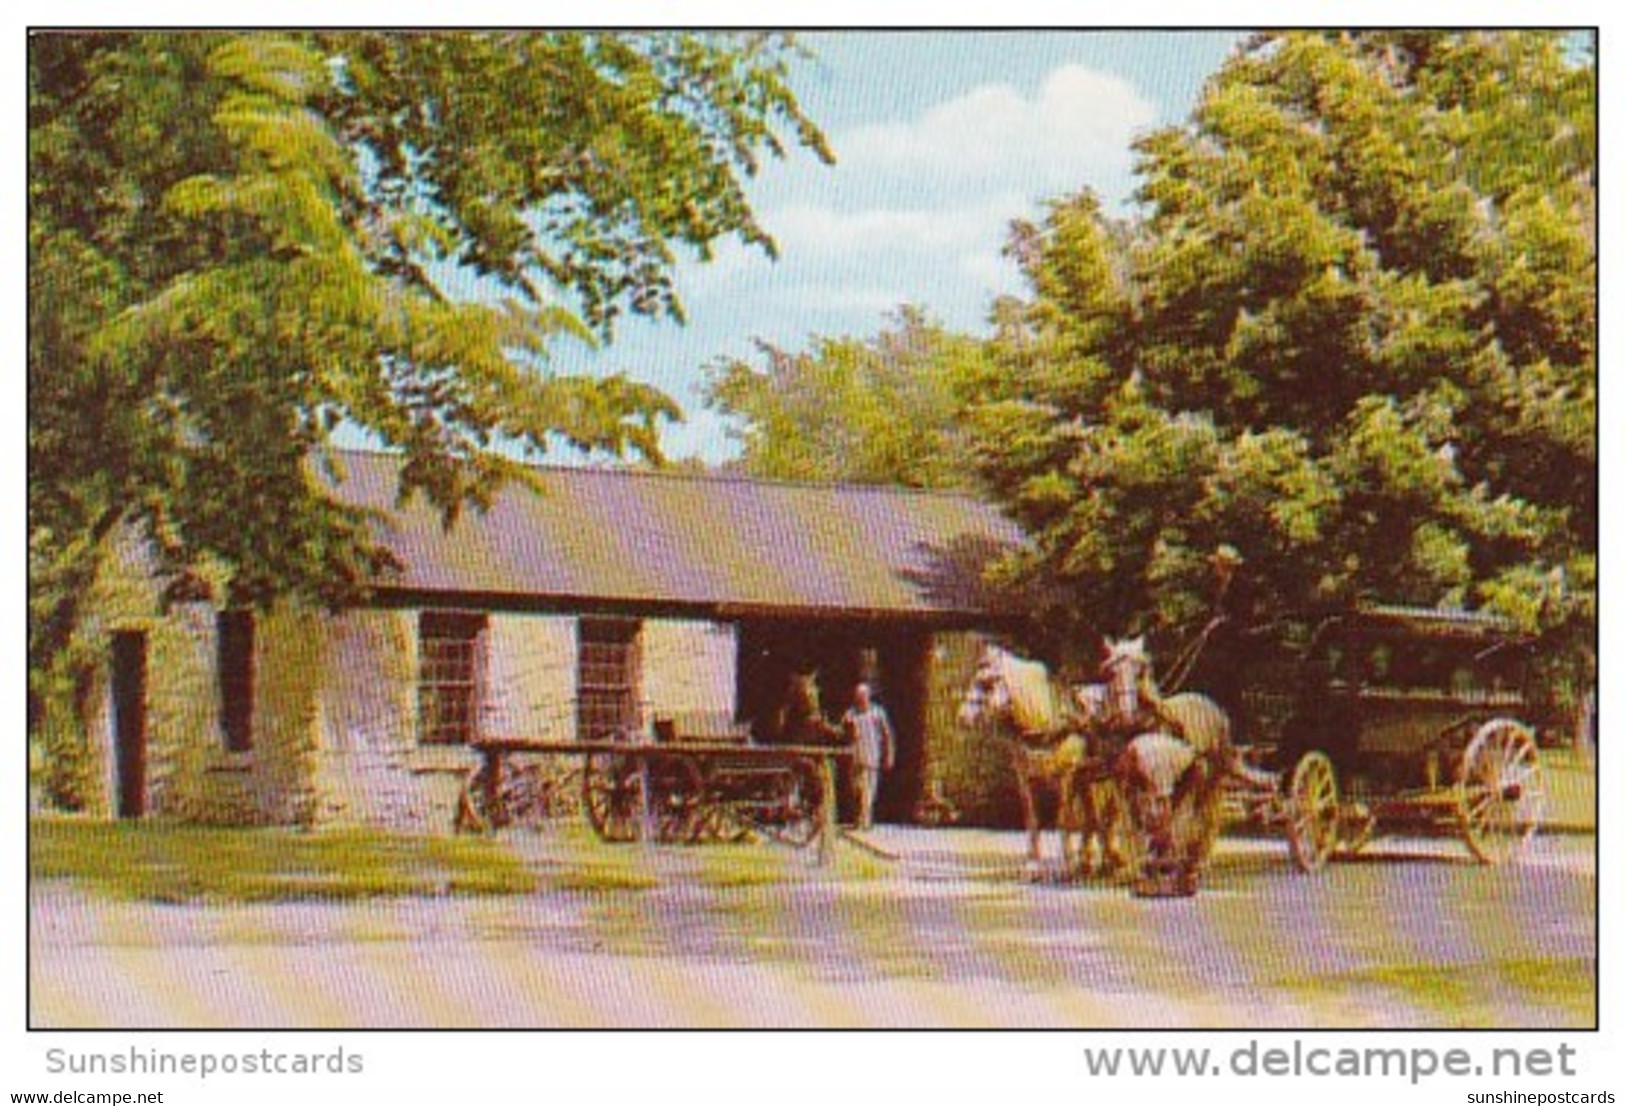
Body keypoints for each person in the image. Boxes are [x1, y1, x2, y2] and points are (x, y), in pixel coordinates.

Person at [841, 682, 896, 830]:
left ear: (868, 696)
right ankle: (859, 819)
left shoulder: (878, 713)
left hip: (871, 757)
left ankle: (864, 821)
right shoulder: (850, 714)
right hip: (854, 757)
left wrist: (889, 755)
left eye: (862, 696)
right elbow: (843, 732)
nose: (860, 699)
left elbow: (886, 735)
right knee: (855, 790)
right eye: (857, 696)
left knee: (867, 791)